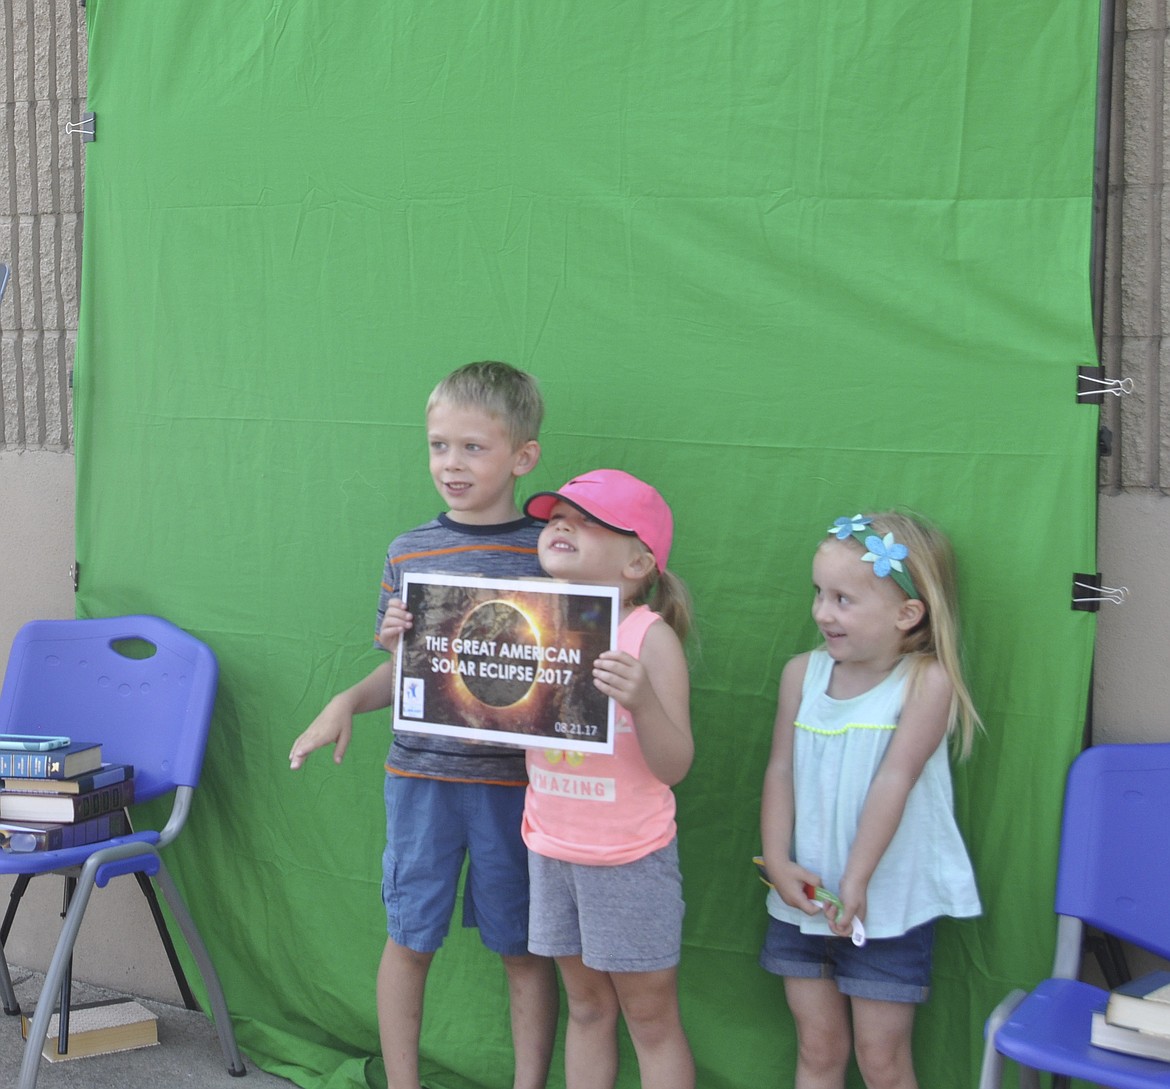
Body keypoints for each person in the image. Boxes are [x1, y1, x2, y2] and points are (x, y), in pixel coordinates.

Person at [289, 361, 558, 1089]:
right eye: (439, 445)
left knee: (527, 947)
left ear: (522, 456)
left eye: (473, 447)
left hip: (519, 788)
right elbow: (410, 679)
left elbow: (565, 678)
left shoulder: (549, 555)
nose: (452, 463)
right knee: (409, 937)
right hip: (420, 780)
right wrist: (349, 696)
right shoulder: (408, 552)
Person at [758, 511, 981, 1089]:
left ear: (908, 614)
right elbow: (779, 770)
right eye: (819, 593)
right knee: (818, 1049)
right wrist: (777, 862)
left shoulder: (925, 682)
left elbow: (896, 780)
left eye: (843, 599)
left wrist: (856, 881)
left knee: (882, 1062)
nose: (821, 612)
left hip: (886, 905)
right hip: (803, 902)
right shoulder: (799, 675)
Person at [521, 469, 696, 1089]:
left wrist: (644, 701)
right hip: (551, 849)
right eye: (556, 515)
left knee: (650, 1021)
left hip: (629, 857)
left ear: (638, 561)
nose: (562, 524)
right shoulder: (530, 623)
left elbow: (675, 765)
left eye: (588, 519)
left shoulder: (649, 639)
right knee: (588, 1009)